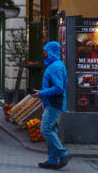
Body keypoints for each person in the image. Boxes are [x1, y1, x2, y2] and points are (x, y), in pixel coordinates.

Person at [31, 41, 71, 169]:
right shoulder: (56, 65)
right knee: (51, 130)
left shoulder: (55, 67)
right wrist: (44, 99)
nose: (44, 53)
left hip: (55, 103)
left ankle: (63, 154)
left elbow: (58, 88)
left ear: (51, 52)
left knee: (45, 129)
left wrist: (42, 94)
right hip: (53, 103)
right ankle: (52, 160)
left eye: (46, 51)